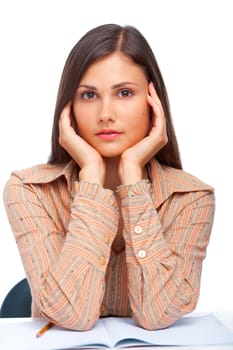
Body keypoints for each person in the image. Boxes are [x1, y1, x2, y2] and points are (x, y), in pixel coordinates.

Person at [3, 23, 215, 331]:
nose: (105, 113)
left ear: (152, 101)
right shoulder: (29, 190)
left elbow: (158, 314)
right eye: (88, 95)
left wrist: (133, 180)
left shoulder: (192, 197)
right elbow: (70, 315)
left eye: (125, 93)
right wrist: (91, 176)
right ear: (68, 107)